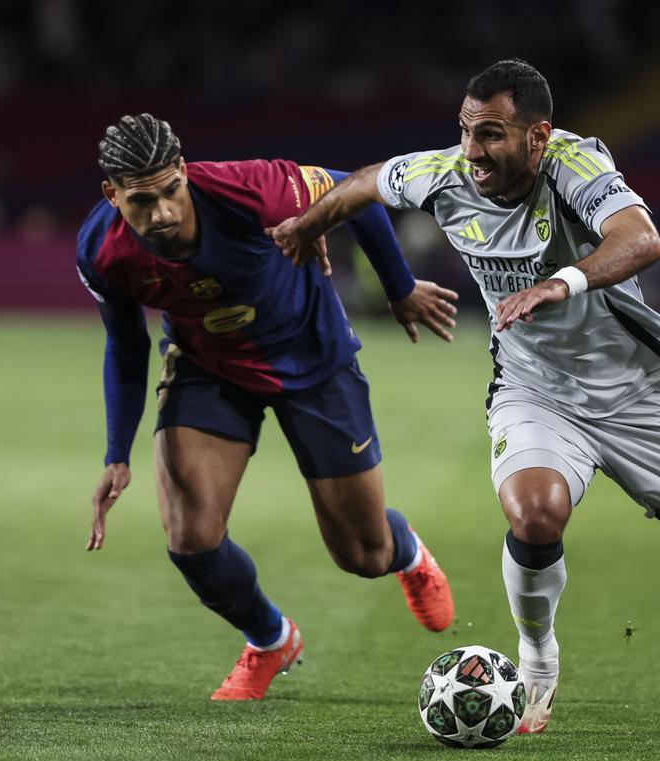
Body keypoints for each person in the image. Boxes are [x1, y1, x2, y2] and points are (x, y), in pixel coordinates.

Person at [270, 59, 660, 734]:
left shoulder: (574, 166)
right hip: (534, 389)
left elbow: (641, 238)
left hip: (634, 394)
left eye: (491, 135)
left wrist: (559, 283)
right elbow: (365, 181)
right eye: (466, 131)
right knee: (535, 515)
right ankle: (537, 656)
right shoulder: (442, 173)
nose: (472, 151)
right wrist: (310, 225)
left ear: (537, 136)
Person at [76, 114, 459, 701]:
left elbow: (361, 190)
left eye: (170, 191)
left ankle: (403, 548)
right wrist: (116, 453)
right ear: (112, 194)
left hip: (312, 356)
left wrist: (399, 287)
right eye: (141, 201)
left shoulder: (254, 189)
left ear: (184, 172)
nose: (163, 213)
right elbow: (126, 345)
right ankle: (270, 638)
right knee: (190, 538)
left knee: (362, 555)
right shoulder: (102, 250)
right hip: (208, 367)